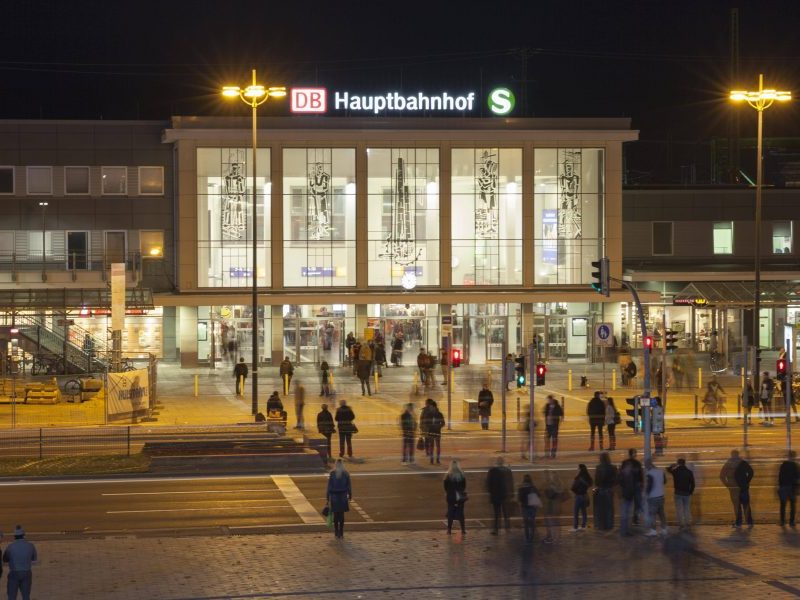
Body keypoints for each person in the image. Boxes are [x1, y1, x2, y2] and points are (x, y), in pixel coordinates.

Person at [720, 449, 753, 528]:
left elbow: (722, 476)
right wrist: (746, 481)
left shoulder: (729, 463)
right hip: (743, 487)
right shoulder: (743, 462)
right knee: (746, 505)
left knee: (737, 506)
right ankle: (749, 522)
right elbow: (751, 472)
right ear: (738, 455)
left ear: (731, 455)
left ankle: (739, 523)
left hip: (734, 489)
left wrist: (728, 485)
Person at [3, 525, 37, 600]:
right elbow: (34, 559)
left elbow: (5, 559)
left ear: (14, 536)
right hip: (26, 573)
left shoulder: (10, 547)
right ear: (24, 535)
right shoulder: (30, 546)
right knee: (26, 596)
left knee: (12, 596)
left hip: (14, 573)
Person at [486, 457, 514, 534]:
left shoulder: (492, 471)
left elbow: (488, 484)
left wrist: (490, 493)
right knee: (506, 513)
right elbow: (510, 483)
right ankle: (507, 528)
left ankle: (496, 529)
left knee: (496, 514)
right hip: (505, 494)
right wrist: (511, 493)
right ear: (503, 462)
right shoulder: (507, 471)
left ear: (497, 462)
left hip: (495, 495)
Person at [667, 457, 696, 530]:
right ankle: (687, 523)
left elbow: (668, 469)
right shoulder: (689, 472)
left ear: (679, 463)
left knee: (679, 509)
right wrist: (690, 492)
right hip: (686, 493)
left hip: (678, 493)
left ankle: (681, 524)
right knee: (687, 509)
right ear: (684, 463)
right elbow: (693, 484)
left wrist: (673, 465)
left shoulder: (676, 471)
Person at [326, 459, 352, 539]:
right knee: (341, 515)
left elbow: (329, 487)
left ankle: (336, 531)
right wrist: (350, 495)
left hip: (334, 497)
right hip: (343, 497)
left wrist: (327, 497)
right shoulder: (346, 473)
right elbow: (349, 486)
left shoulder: (332, 473)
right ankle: (341, 531)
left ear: (336, 465)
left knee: (336, 515)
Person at [594, 452, 618, 531]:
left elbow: (596, 481)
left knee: (601, 509)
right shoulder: (613, 467)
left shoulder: (598, 468)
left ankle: (601, 525)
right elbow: (616, 480)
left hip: (601, 489)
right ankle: (609, 525)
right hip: (609, 490)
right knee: (609, 509)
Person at [644, 458, 668, 536]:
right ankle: (664, 529)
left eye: (646, 465)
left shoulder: (649, 473)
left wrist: (646, 494)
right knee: (661, 514)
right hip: (661, 496)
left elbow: (649, 486)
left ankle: (653, 530)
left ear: (649, 465)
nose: (646, 467)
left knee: (652, 515)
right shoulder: (661, 471)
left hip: (653, 497)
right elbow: (665, 481)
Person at [444, 460, 467, 534]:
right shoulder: (462, 475)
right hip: (459, 496)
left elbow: (445, 487)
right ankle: (463, 530)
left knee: (450, 512)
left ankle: (449, 530)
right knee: (461, 513)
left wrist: (449, 492)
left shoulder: (448, 475)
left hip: (451, 496)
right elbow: (464, 486)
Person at [542, 469, 564, 544]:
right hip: (558, 505)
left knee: (552, 523)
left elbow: (549, 495)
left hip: (552, 505)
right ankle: (558, 538)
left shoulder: (552, 485)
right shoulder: (560, 484)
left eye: (551, 476)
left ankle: (553, 538)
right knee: (557, 522)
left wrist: (546, 491)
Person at [518, 473, 541, 543]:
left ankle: (527, 538)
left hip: (524, 507)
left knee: (526, 523)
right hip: (532, 507)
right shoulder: (533, 487)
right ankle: (531, 537)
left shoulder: (521, 488)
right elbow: (539, 495)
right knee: (532, 522)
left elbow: (520, 499)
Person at [778, 450, 799, 527]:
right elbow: (798, 478)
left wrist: (780, 486)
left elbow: (780, 477)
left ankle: (782, 521)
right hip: (792, 488)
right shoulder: (796, 466)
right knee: (792, 506)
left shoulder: (783, 465)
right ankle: (791, 521)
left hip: (784, 487)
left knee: (783, 505)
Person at [570, 464, 593, 532]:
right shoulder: (587, 477)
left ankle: (575, 527)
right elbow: (590, 484)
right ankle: (583, 525)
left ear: (580, 469)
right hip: (585, 495)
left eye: (578, 468)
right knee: (584, 512)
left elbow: (573, 488)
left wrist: (576, 492)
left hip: (578, 496)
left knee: (576, 512)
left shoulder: (578, 478)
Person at [421, 399, 445, 464]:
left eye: (431, 407)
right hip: (431, 432)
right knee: (431, 446)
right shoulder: (428, 414)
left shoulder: (439, 414)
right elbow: (425, 422)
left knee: (438, 446)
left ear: (434, 407)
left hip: (437, 432)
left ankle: (437, 459)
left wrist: (438, 426)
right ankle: (431, 459)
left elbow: (443, 423)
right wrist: (428, 427)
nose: (430, 408)